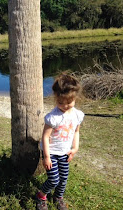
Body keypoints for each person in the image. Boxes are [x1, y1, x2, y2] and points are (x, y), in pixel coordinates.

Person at [36, 73, 84, 210]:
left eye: (69, 102)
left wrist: (75, 149)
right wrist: (46, 157)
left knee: (63, 179)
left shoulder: (77, 115)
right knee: (54, 180)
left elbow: (76, 132)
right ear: (56, 98)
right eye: (60, 102)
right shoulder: (53, 117)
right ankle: (41, 195)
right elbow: (45, 137)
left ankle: (58, 197)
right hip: (51, 153)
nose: (64, 106)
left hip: (65, 153)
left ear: (75, 98)